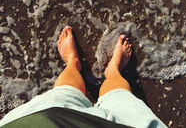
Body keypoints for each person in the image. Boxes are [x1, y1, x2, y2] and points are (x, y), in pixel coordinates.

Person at [0, 26, 167, 128]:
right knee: (120, 99)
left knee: (63, 95)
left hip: (47, 123)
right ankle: (112, 70)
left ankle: (73, 62)